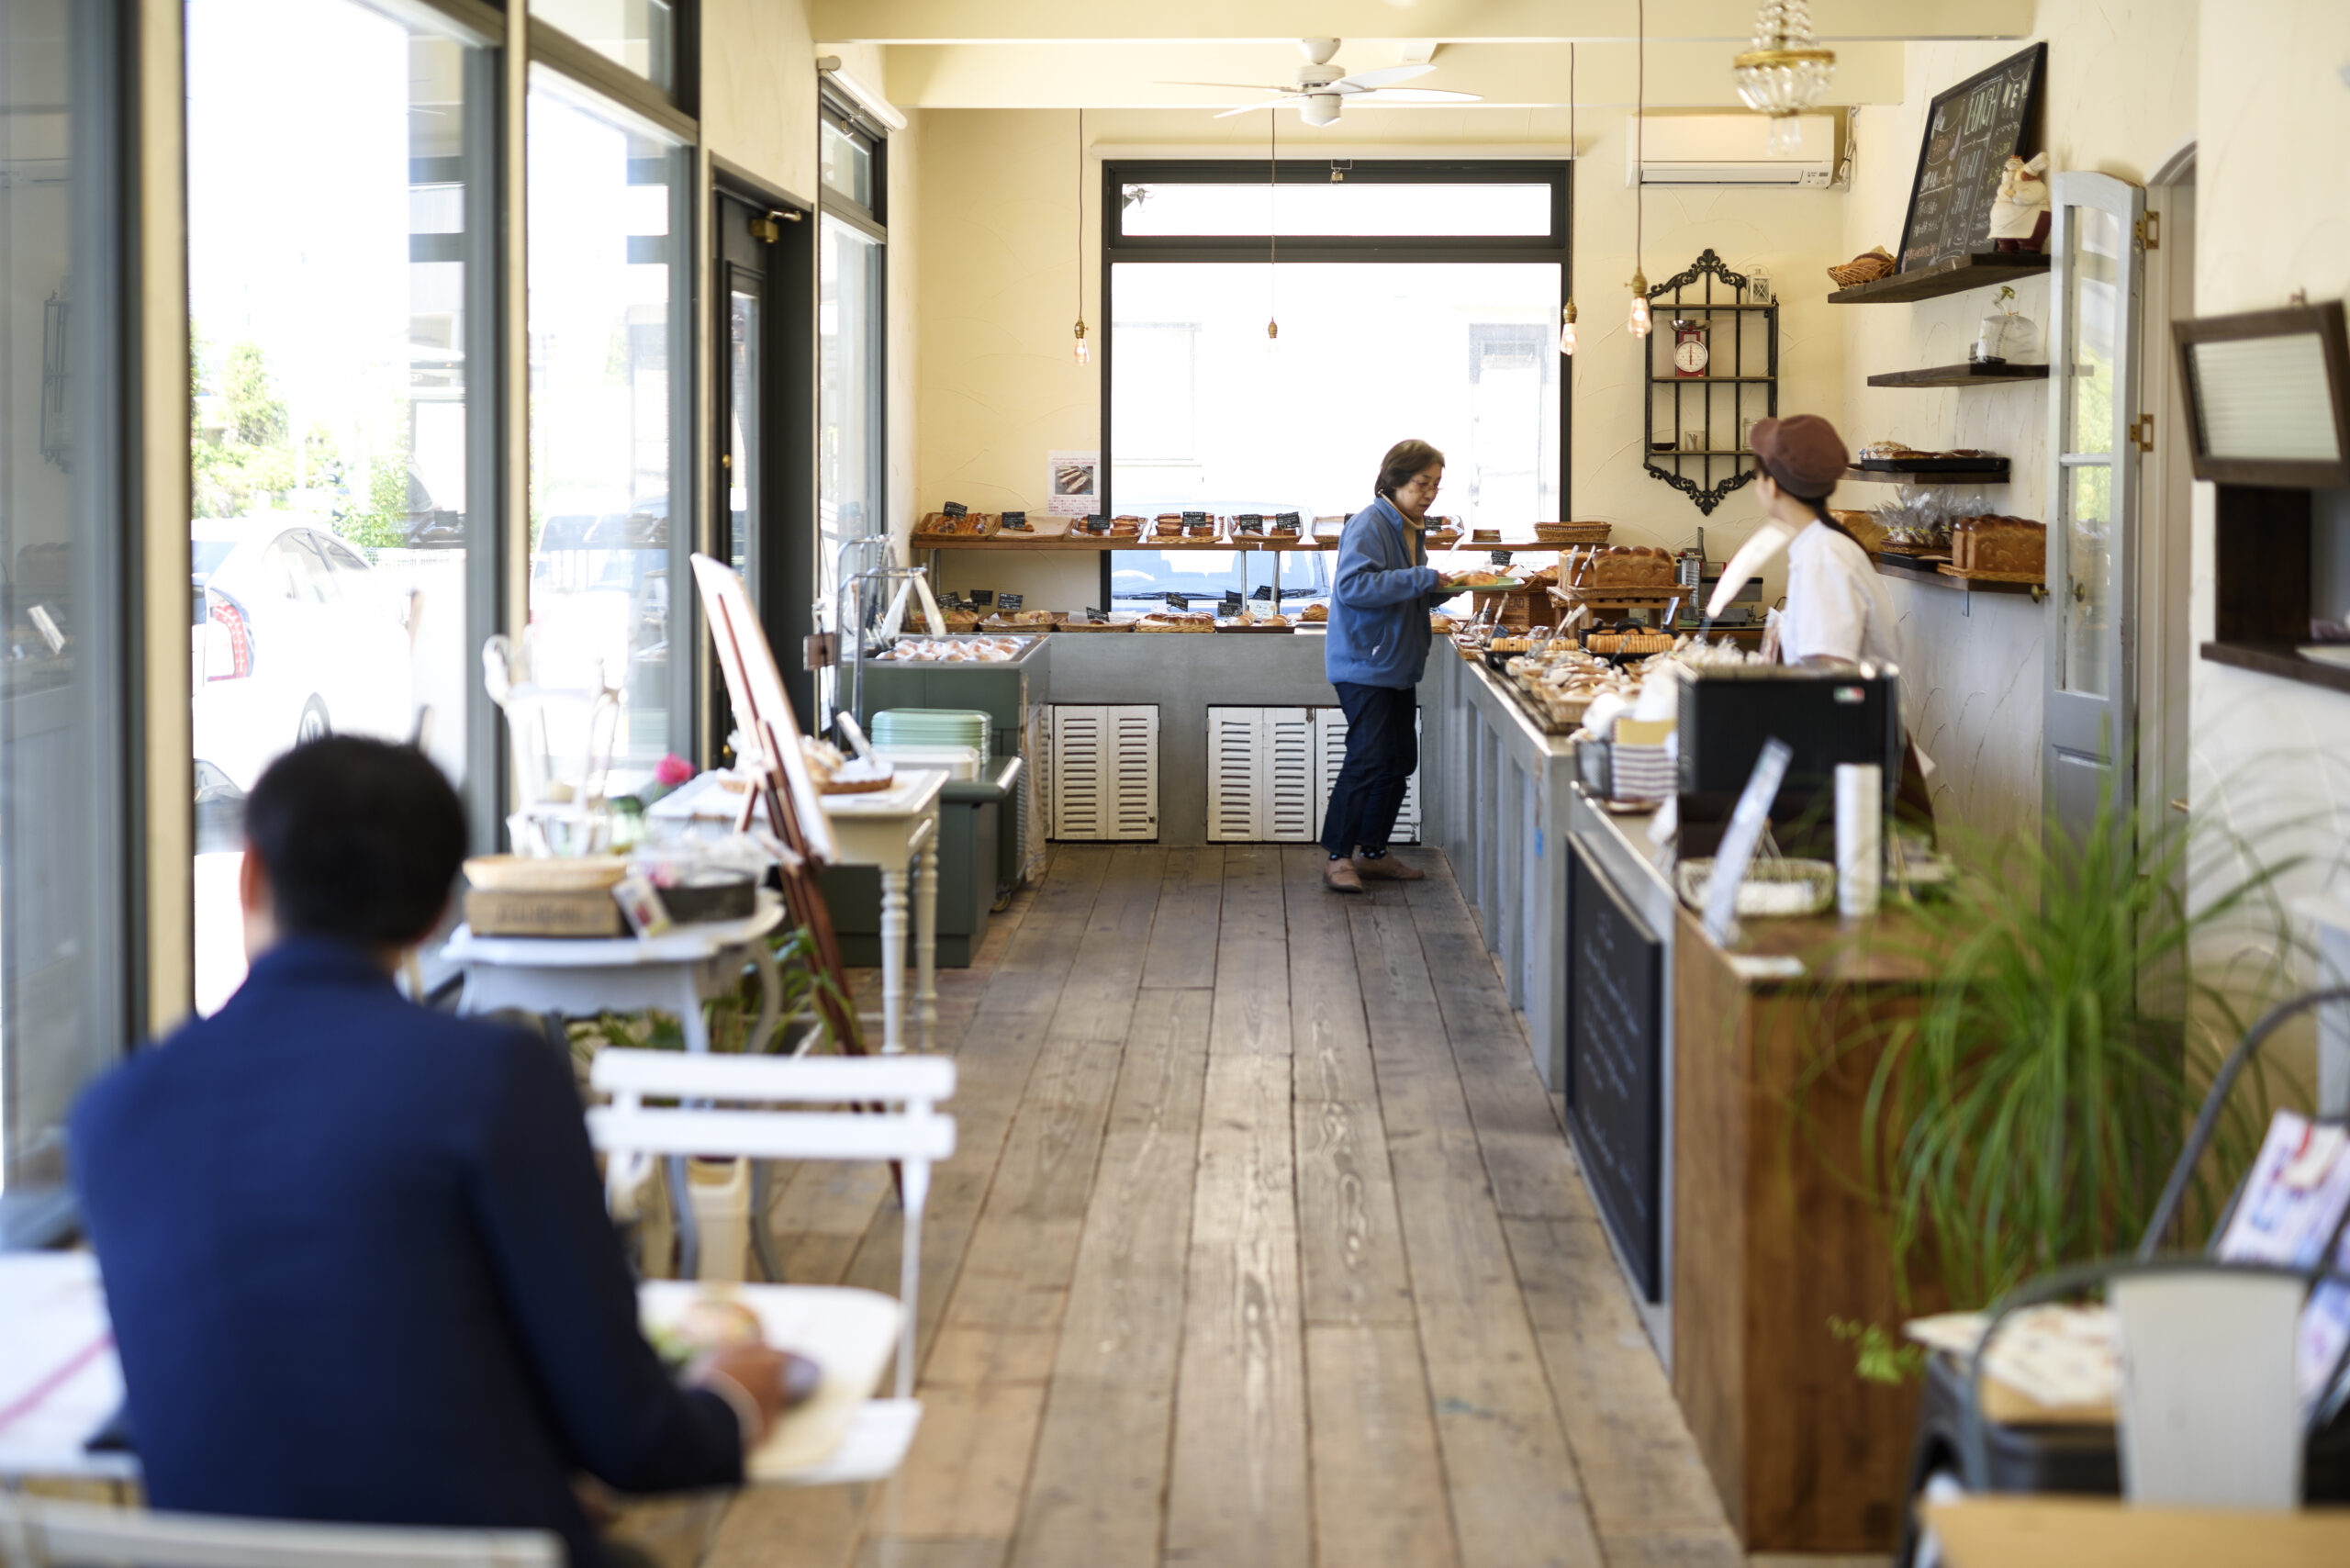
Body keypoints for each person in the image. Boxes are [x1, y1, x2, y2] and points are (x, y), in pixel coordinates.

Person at [71, 737, 789, 1567]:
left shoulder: (112, 1114)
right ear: (440, 914)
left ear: (250, 876)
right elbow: (636, 1444)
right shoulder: (492, 1080)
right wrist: (734, 1399)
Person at [1318, 439, 1477, 893]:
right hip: (1364, 664)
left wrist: (1446, 588)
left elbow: (1405, 590)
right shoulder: (1371, 523)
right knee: (1367, 759)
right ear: (1395, 480)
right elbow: (1353, 588)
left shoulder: (1411, 526)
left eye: (1436, 485)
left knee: (1398, 761)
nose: (1429, 492)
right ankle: (1338, 857)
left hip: (1396, 664)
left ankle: (1373, 852)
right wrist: (1422, 578)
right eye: (1422, 483)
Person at [1747, 414, 1900, 669]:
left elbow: (1832, 673)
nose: (1756, 488)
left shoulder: (1824, 555)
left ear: (1772, 486)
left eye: (1757, 478)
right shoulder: (1822, 546)